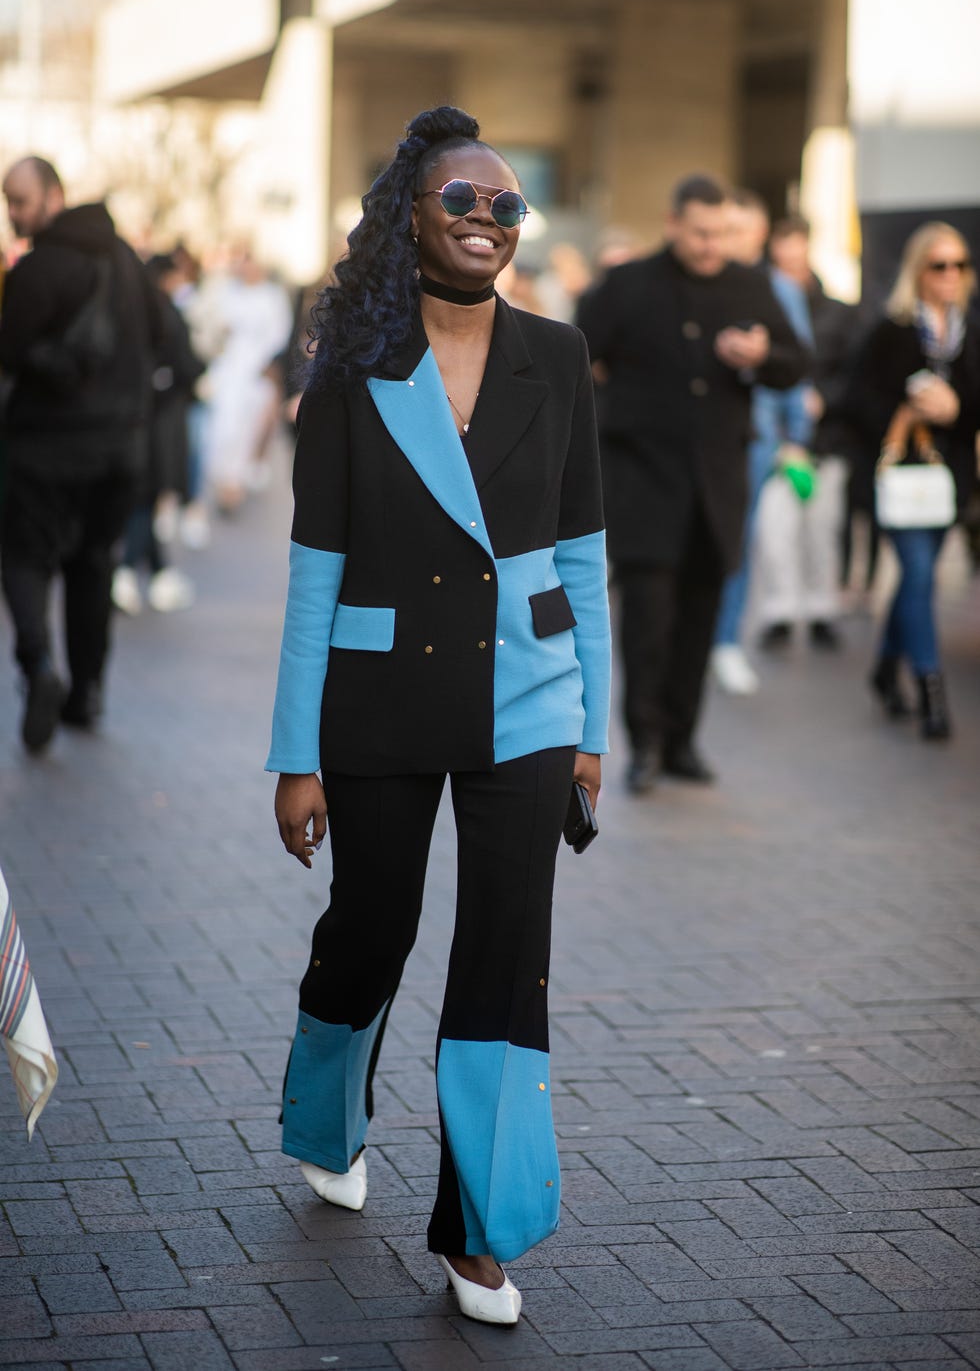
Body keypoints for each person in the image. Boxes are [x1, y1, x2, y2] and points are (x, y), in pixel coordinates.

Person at [266, 106, 610, 1326]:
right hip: (378, 694)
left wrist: (592, 724)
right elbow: (315, 572)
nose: (485, 222)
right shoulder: (351, 366)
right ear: (408, 214)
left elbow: (580, 550)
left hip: (527, 696)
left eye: (507, 207)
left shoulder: (558, 355)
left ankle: (478, 1229)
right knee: (373, 924)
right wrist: (291, 754)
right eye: (461, 202)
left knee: (508, 952)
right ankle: (325, 1114)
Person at [577, 174, 806, 792]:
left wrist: (761, 356)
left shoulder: (749, 284)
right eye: (700, 232)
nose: (711, 245)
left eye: (721, 234)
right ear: (673, 222)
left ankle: (682, 740)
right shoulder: (629, 284)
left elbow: (795, 364)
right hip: (644, 484)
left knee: (699, 621)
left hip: (718, 488)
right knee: (647, 623)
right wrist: (607, 417)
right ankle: (644, 744)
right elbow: (574, 355)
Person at [0, 156, 158, 750]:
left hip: (45, 448)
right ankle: (86, 693)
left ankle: (39, 664)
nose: (14, 212)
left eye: (21, 200)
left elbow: (10, 350)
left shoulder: (39, 268)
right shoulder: (124, 260)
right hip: (119, 450)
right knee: (94, 565)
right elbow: (166, 334)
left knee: (24, 558)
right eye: (8, 201)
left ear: (54, 197)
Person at [844, 221, 980, 739]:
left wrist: (955, 408)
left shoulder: (971, 329)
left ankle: (884, 668)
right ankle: (931, 690)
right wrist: (905, 410)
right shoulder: (893, 329)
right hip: (898, 481)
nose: (950, 275)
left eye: (960, 264)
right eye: (939, 264)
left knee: (914, 580)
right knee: (920, 574)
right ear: (918, 270)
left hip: (950, 483)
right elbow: (854, 399)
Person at [709, 190, 816, 693]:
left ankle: (725, 640)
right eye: (723, 230)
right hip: (704, 431)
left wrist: (796, 438)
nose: (730, 241)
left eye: (741, 231)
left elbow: (797, 367)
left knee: (739, 541)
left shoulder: (778, 290)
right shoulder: (702, 283)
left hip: (757, 436)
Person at [748, 215, 860, 659]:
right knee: (775, 532)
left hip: (824, 439)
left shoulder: (838, 311)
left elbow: (852, 374)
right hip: (777, 437)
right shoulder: (764, 300)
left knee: (822, 528)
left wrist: (823, 401)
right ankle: (779, 609)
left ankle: (820, 608)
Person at [111, 253, 203, 616]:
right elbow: (185, 364)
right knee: (145, 498)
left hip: (140, 417)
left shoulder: (131, 311)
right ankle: (126, 572)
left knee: (145, 500)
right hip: (159, 421)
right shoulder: (164, 313)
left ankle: (158, 573)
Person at [204, 248, 293, 513]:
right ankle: (223, 479)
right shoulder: (229, 292)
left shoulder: (273, 296)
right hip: (230, 368)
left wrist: (268, 365)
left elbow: (279, 333)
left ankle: (235, 483)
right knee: (223, 424)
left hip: (258, 370)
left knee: (248, 426)